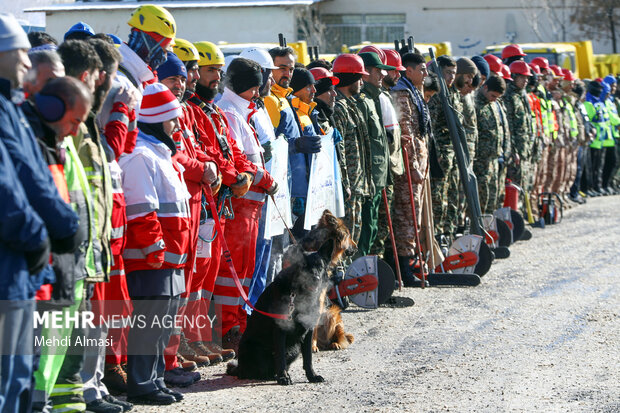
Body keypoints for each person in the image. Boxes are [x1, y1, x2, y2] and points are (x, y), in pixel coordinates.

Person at [0, 14, 60, 413]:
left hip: (22, 264)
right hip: (12, 263)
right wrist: (41, 233)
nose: (26, 63)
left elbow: (35, 179)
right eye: (20, 53)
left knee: (19, 377)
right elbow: (9, 189)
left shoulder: (13, 109)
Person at [119, 83, 191, 406]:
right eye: (172, 120)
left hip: (171, 261)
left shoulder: (163, 156)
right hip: (154, 261)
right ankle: (142, 383)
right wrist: (154, 248)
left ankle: (156, 379)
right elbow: (141, 209)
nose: (177, 127)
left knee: (162, 325)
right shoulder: (140, 157)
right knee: (148, 325)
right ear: (157, 119)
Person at [157, 51, 219, 384]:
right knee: (172, 285)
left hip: (194, 201)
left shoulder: (180, 109)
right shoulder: (156, 109)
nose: (182, 83)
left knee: (189, 282)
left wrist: (213, 166)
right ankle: (167, 355)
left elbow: (196, 148)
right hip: (175, 203)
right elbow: (175, 154)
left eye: (183, 77)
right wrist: (203, 169)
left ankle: (178, 347)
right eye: (174, 78)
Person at [215, 57, 278, 349]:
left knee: (245, 269)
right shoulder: (229, 112)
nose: (258, 93)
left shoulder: (241, 111)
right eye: (255, 87)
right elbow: (239, 162)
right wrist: (266, 179)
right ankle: (229, 327)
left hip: (251, 206)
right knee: (232, 272)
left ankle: (239, 320)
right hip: (240, 206)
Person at [390, 52, 435, 285]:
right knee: (407, 215)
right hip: (410, 163)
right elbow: (405, 132)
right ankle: (404, 265)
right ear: (409, 70)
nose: (426, 74)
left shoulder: (414, 91)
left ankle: (411, 260)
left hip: (419, 160)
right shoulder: (402, 92)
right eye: (422, 69)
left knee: (414, 214)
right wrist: (413, 165)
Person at [355, 52, 394, 257]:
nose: (382, 76)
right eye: (378, 71)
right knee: (365, 226)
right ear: (366, 73)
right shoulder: (362, 100)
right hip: (368, 177)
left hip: (378, 174)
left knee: (372, 227)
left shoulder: (374, 97)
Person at [331, 54, 372, 249]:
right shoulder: (339, 107)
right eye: (359, 78)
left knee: (353, 234)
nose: (362, 82)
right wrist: (345, 183)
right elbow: (339, 149)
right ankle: (341, 276)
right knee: (344, 237)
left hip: (357, 184)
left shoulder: (350, 104)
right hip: (349, 187)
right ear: (350, 79)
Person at [427, 55, 461, 239]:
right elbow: (430, 126)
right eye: (447, 73)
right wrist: (437, 153)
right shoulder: (436, 94)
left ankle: (447, 233)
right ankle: (437, 235)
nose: (451, 77)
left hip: (451, 153)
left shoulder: (451, 93)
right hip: (440, 153)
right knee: (439, 198)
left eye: (453, 74)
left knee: (450, 196)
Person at [474, 75, 508, 214]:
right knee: (482, 197)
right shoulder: (475, 103)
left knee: (493, 197)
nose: (494, 99)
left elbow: (502, 128)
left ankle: (491, 228)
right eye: (493, 95)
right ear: (485, 87)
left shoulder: (494, 104)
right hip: (480, 160)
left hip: (494, 158)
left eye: (497, 97)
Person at [504, 60, 534, 192]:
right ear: (514, 77)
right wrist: (514, 150)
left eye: (527, 78)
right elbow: (509, 126)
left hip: (525, 148)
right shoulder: (509, 97)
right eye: (522, 77)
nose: (525, 81)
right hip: (516, 150)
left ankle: (524, 211)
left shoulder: (522, 96)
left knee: (525, 184)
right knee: (516, 186)